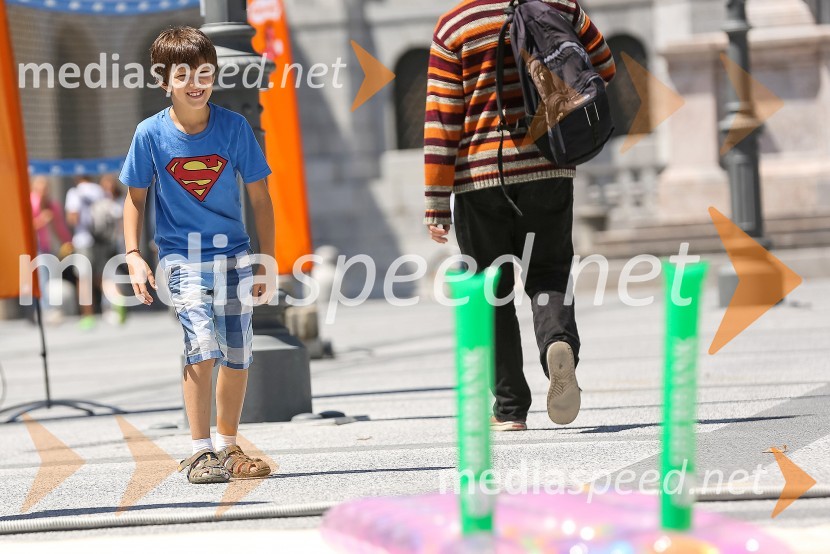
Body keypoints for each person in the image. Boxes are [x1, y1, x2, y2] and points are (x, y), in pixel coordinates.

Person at [424, 0, 616, 431]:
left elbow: (443, 116)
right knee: (548, 273)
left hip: (479, 177)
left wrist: (436, 199)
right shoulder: (559, 6)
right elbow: (602, 67)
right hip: (548, 165)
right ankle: (557, 344)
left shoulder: (455, 25)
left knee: (491, 292)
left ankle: (510, 409)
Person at [120, 26, 277, 483]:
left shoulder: (234, 128)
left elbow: (261, 197)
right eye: (183, 73)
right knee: (201, 342)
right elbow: (134, 199)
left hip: (235, 256)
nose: (195, 81)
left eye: (204, 72)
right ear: (163, 80)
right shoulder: (149, 134)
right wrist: (133, 253)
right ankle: (198, 450)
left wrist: (267, 259)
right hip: (180, 258)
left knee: (238, 352)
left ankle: (228, 446)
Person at [65, 175, 107, 329]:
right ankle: (114, 301)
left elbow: (73, 218)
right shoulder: (98, 190)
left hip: (83, 240)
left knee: (83, 278)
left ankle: (88, 316)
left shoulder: (74, 192)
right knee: (100, 276)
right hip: (100, 239)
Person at [30, 175, 73, 322]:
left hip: (45, 248)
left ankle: (41, 310)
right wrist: (42, 220)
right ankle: (44, 310)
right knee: (40, 279)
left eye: (45, 188)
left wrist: (67, 241)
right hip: (31, 247)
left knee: (44, 279)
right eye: (40, 189)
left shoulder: (51, 205)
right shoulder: (30, 202)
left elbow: (59, 227)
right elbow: (26, 228)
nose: (43, 192)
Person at [94, 174, 128, 325]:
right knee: (108, 276)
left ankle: (115, 302)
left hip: (116, 245)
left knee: (110, 275)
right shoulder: (104, 203)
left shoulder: (118, 203)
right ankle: (113, 303)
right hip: (105, 245)